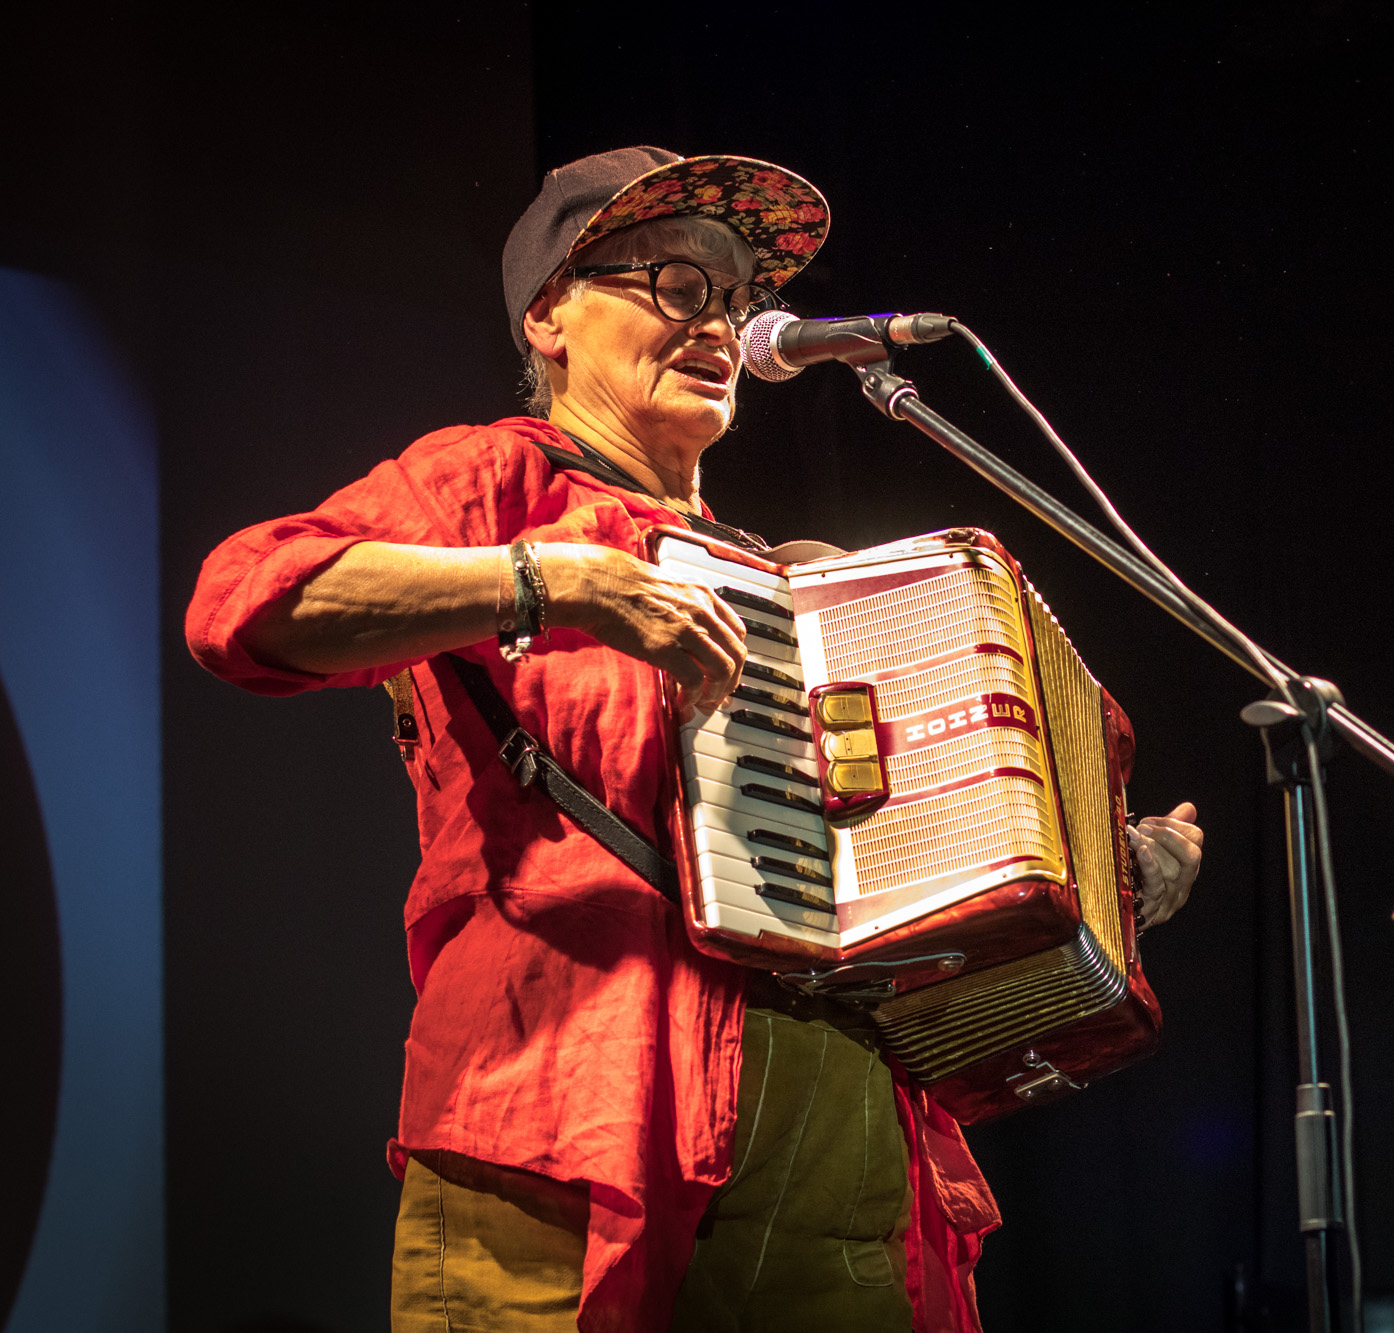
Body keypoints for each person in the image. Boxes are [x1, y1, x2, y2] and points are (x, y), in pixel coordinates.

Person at [185, 145, 1204, 1333]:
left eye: (735, 298)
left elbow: (909, 881)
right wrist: (549, 578)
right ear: (552, 315)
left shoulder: (788, 591)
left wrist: (1102, 878)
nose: (719, 322)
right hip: (578, 1106)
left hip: (842, 1129)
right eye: (674, 283)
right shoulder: (502, 481)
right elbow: (245, 604)